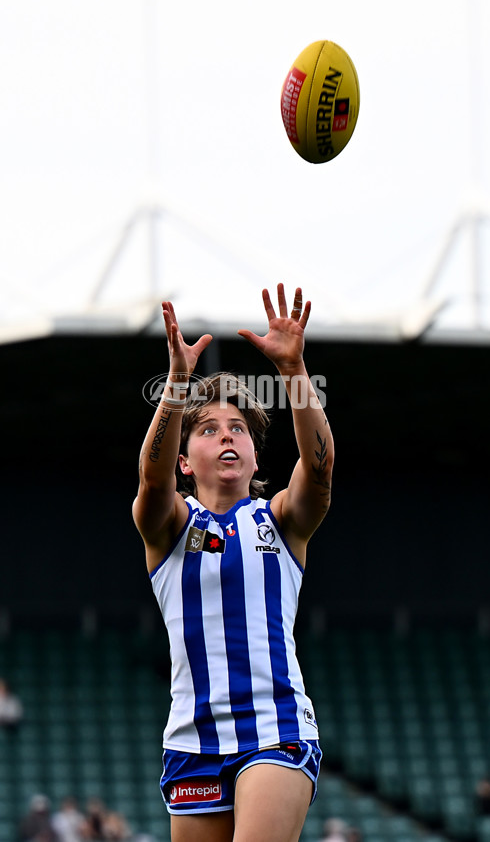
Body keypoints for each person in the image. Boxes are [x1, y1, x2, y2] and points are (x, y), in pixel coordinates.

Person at [133, 284, 334, 842]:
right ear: (185, 460)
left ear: (251, 453)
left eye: (238, 429)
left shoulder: (281, 522)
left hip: (275, 730)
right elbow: (151, 480)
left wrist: (293, 369)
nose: (227, 436)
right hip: (192, 741)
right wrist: (176, 386)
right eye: (210, 429)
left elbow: (318, 472)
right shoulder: (172, 526)